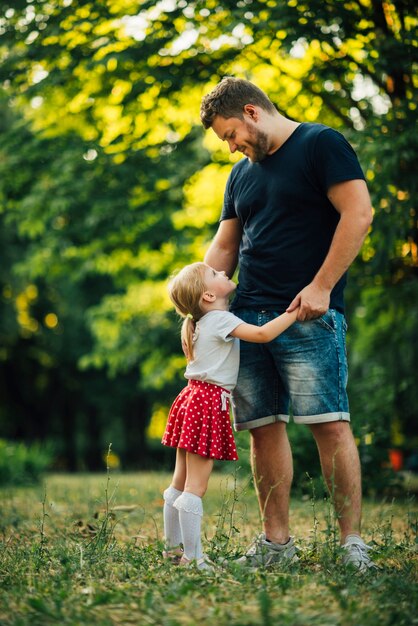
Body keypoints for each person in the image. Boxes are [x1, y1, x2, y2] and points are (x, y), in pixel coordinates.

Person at [200, 77, 376, 571]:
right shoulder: (241, 175)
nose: (230, 145)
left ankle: (352, 547)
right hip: (246, 317)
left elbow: (358, 215)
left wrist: (321, 286)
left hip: (307, 316)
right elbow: (226, 247)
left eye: (230, 133)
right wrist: (202, 302)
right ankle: (276, 546)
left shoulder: (321, 144)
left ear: (252, 112)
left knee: (330, 426)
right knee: (262, 430)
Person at [161, 261, 299, 570]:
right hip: (207, 401)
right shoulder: (220, 319)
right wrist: (294, 312)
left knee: (179, 482)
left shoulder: (199, 323)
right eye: (215, 274)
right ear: (208, 295)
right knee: (195, 487)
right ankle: (193, 559)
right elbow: (263, 334)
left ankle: (172, 552)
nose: (223, 272)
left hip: (191, 397)